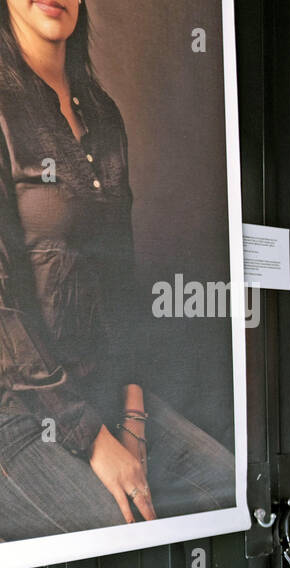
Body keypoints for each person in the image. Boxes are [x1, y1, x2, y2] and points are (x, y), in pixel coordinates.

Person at [0, 0, 234, 540]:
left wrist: (131, 417)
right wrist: (93, 440)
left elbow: (122, 283)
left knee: (224, 489)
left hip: (101, 394)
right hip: (16, 410)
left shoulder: (103, 115)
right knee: (120, 528)